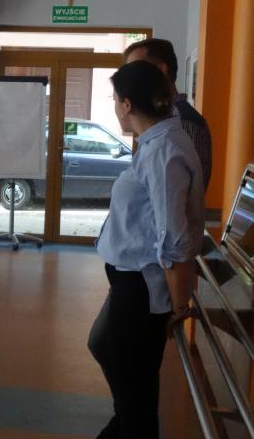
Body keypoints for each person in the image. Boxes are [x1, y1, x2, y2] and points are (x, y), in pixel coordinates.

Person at [89, 60, 204, 439]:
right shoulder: (156, 141)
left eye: (114, 99)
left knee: (136, 398)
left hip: (142, 289)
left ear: (126, 105)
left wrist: (179, 305)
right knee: (111, 357)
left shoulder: (163, 151)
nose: (114, 106)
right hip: (130, 283)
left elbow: (174, 235)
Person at [124, 38, 212, 190]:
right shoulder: (158, 119)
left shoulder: (184, 121)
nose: (131, 80)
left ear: (161, 71)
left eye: (137, 70)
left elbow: (179, 195)